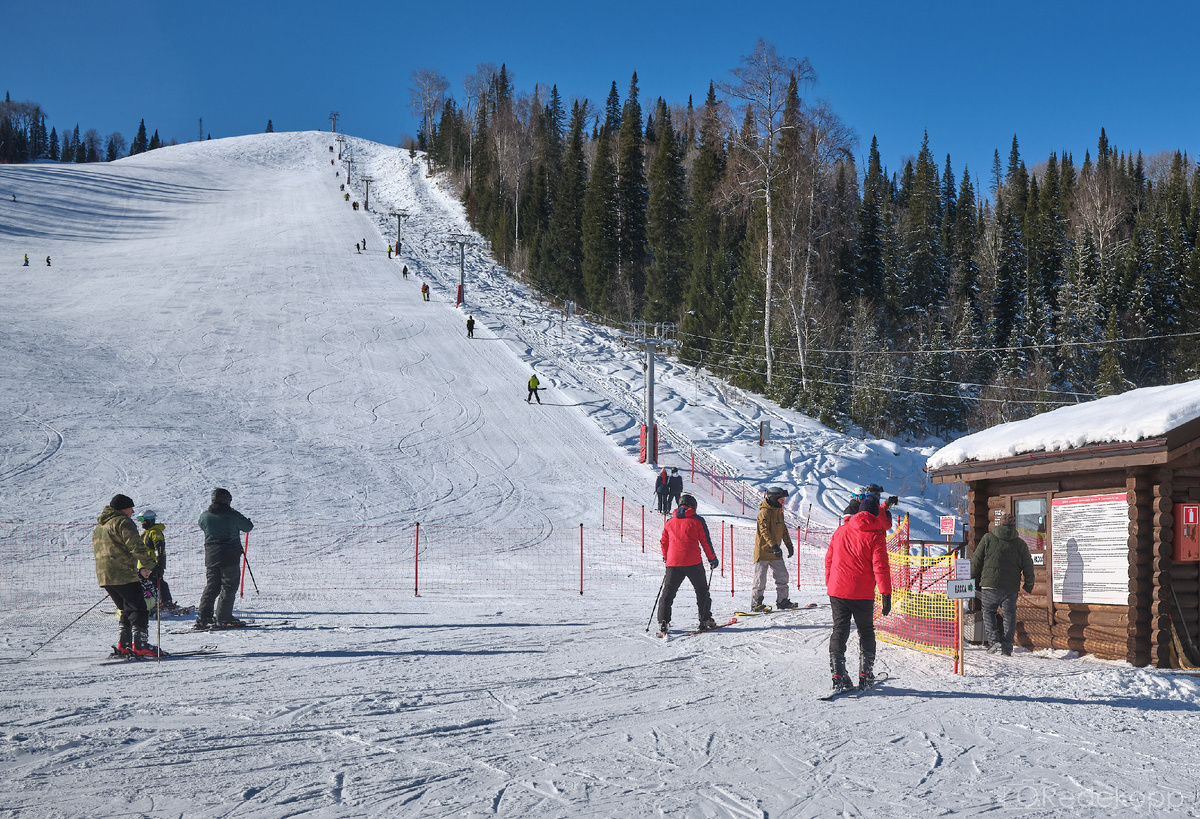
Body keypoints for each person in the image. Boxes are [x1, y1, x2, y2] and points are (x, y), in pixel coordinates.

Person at [825, 492, 892, 692]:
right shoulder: (876, 535)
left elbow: (829, 559)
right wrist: (886, 594)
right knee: (866, 631)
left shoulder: (841, 530)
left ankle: (838, 675)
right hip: (862, 593)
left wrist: (830, 583)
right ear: (874, 514)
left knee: (839, 629)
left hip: (837, 591)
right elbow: (880, 567)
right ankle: (865, 674)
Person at [92, 494, 159, 656]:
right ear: (123, 508)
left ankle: (124, 644)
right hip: (122, 573)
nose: (133, 511)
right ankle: (141, 644)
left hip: (104, 576)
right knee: (139, 608)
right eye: (131, 508)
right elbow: (136, 546)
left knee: (125, 608)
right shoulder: (123, 522)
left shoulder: (100, 526)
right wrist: (151, 565)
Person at [971, 512, 1035, 656]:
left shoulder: (988, 538)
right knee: (1009, 616)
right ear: (1014, 526)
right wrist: (1028, 586)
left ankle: (993, 641)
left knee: (989, 612)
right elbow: (1028, 566)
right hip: (1010, 588)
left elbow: (976, 560)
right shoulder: (1020, 544)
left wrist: (971, 578)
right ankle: (1007, 647)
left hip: (989, 585)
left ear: (1000, 524)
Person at [658, 494, 719, 634]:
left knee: (668, 592)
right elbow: (705, 541)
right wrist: (712, 558)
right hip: (693, 562)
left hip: (673, 563)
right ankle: (705, 619)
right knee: (702, 590)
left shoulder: (670, 521)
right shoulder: (697, 520)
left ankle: (663, 621)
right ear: (693, 506)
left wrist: (666, 557)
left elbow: (663, 542)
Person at [196, 488, 254, 629]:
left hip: (211, 556)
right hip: (229, 556)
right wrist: (236, 514)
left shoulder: (205, 516)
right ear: (227, 500)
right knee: (228, 586)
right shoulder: (232, 515)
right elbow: (248, 527)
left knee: (212, 586)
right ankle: (224, 617)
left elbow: (202, 525)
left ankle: (204, 617)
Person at [751, 487, 798, 611]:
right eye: (781, 499)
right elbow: (764, 531)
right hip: (763, 552)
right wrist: (774, 546)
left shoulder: (779, 512)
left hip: (775, 552)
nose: (783, 502)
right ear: (773, 499)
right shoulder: (764, 513)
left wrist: (789, 544)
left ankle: (782, 601)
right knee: (760, 579)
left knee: (783, 576)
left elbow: (783, 529)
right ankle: (756, 603)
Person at [138, 509, 181, 615]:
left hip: (152, 564)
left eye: (143, 520)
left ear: (150, 520)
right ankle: (146, 603)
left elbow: (160, 549)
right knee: (143, 584)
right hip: (142, 565)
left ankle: (165, 602)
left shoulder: (155, 532)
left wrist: (159, 564)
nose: (141, 522)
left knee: (157, 582)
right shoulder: (145, 533)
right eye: (140, 520)